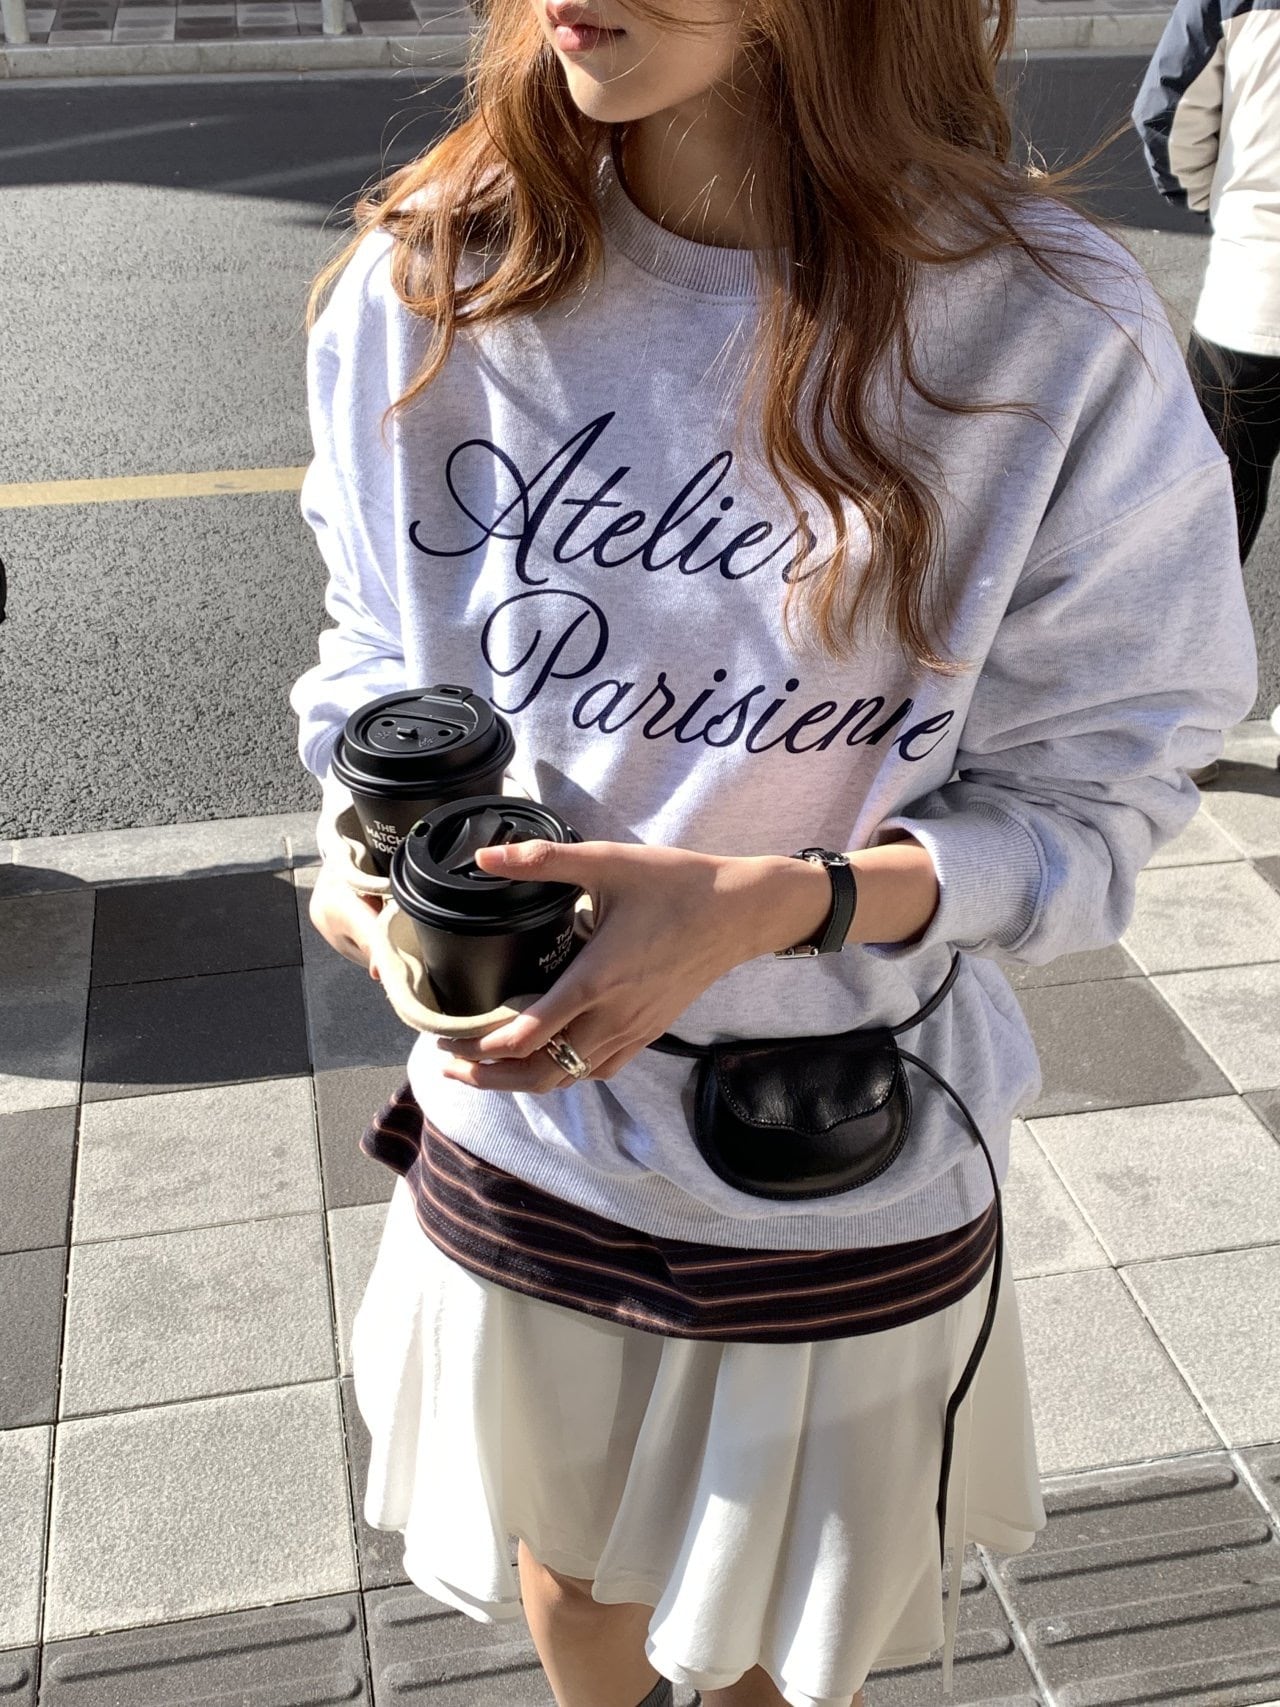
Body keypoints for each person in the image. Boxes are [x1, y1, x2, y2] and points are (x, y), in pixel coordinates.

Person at [290, 2, 1258, 1703]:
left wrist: (778, 909)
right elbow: (379, 651)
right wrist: (361, 849)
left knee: (769, 1633)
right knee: (570, 1561)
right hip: (522, 1123)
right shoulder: (432, 275)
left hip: (835, 1139)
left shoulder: (1043, 323)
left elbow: (1099, 795)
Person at [1134, 0, 1280, 760]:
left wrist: (1220, 199)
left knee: (1209, 528)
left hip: (1252, 290)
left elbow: (1164, 113)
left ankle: (1182, 738)